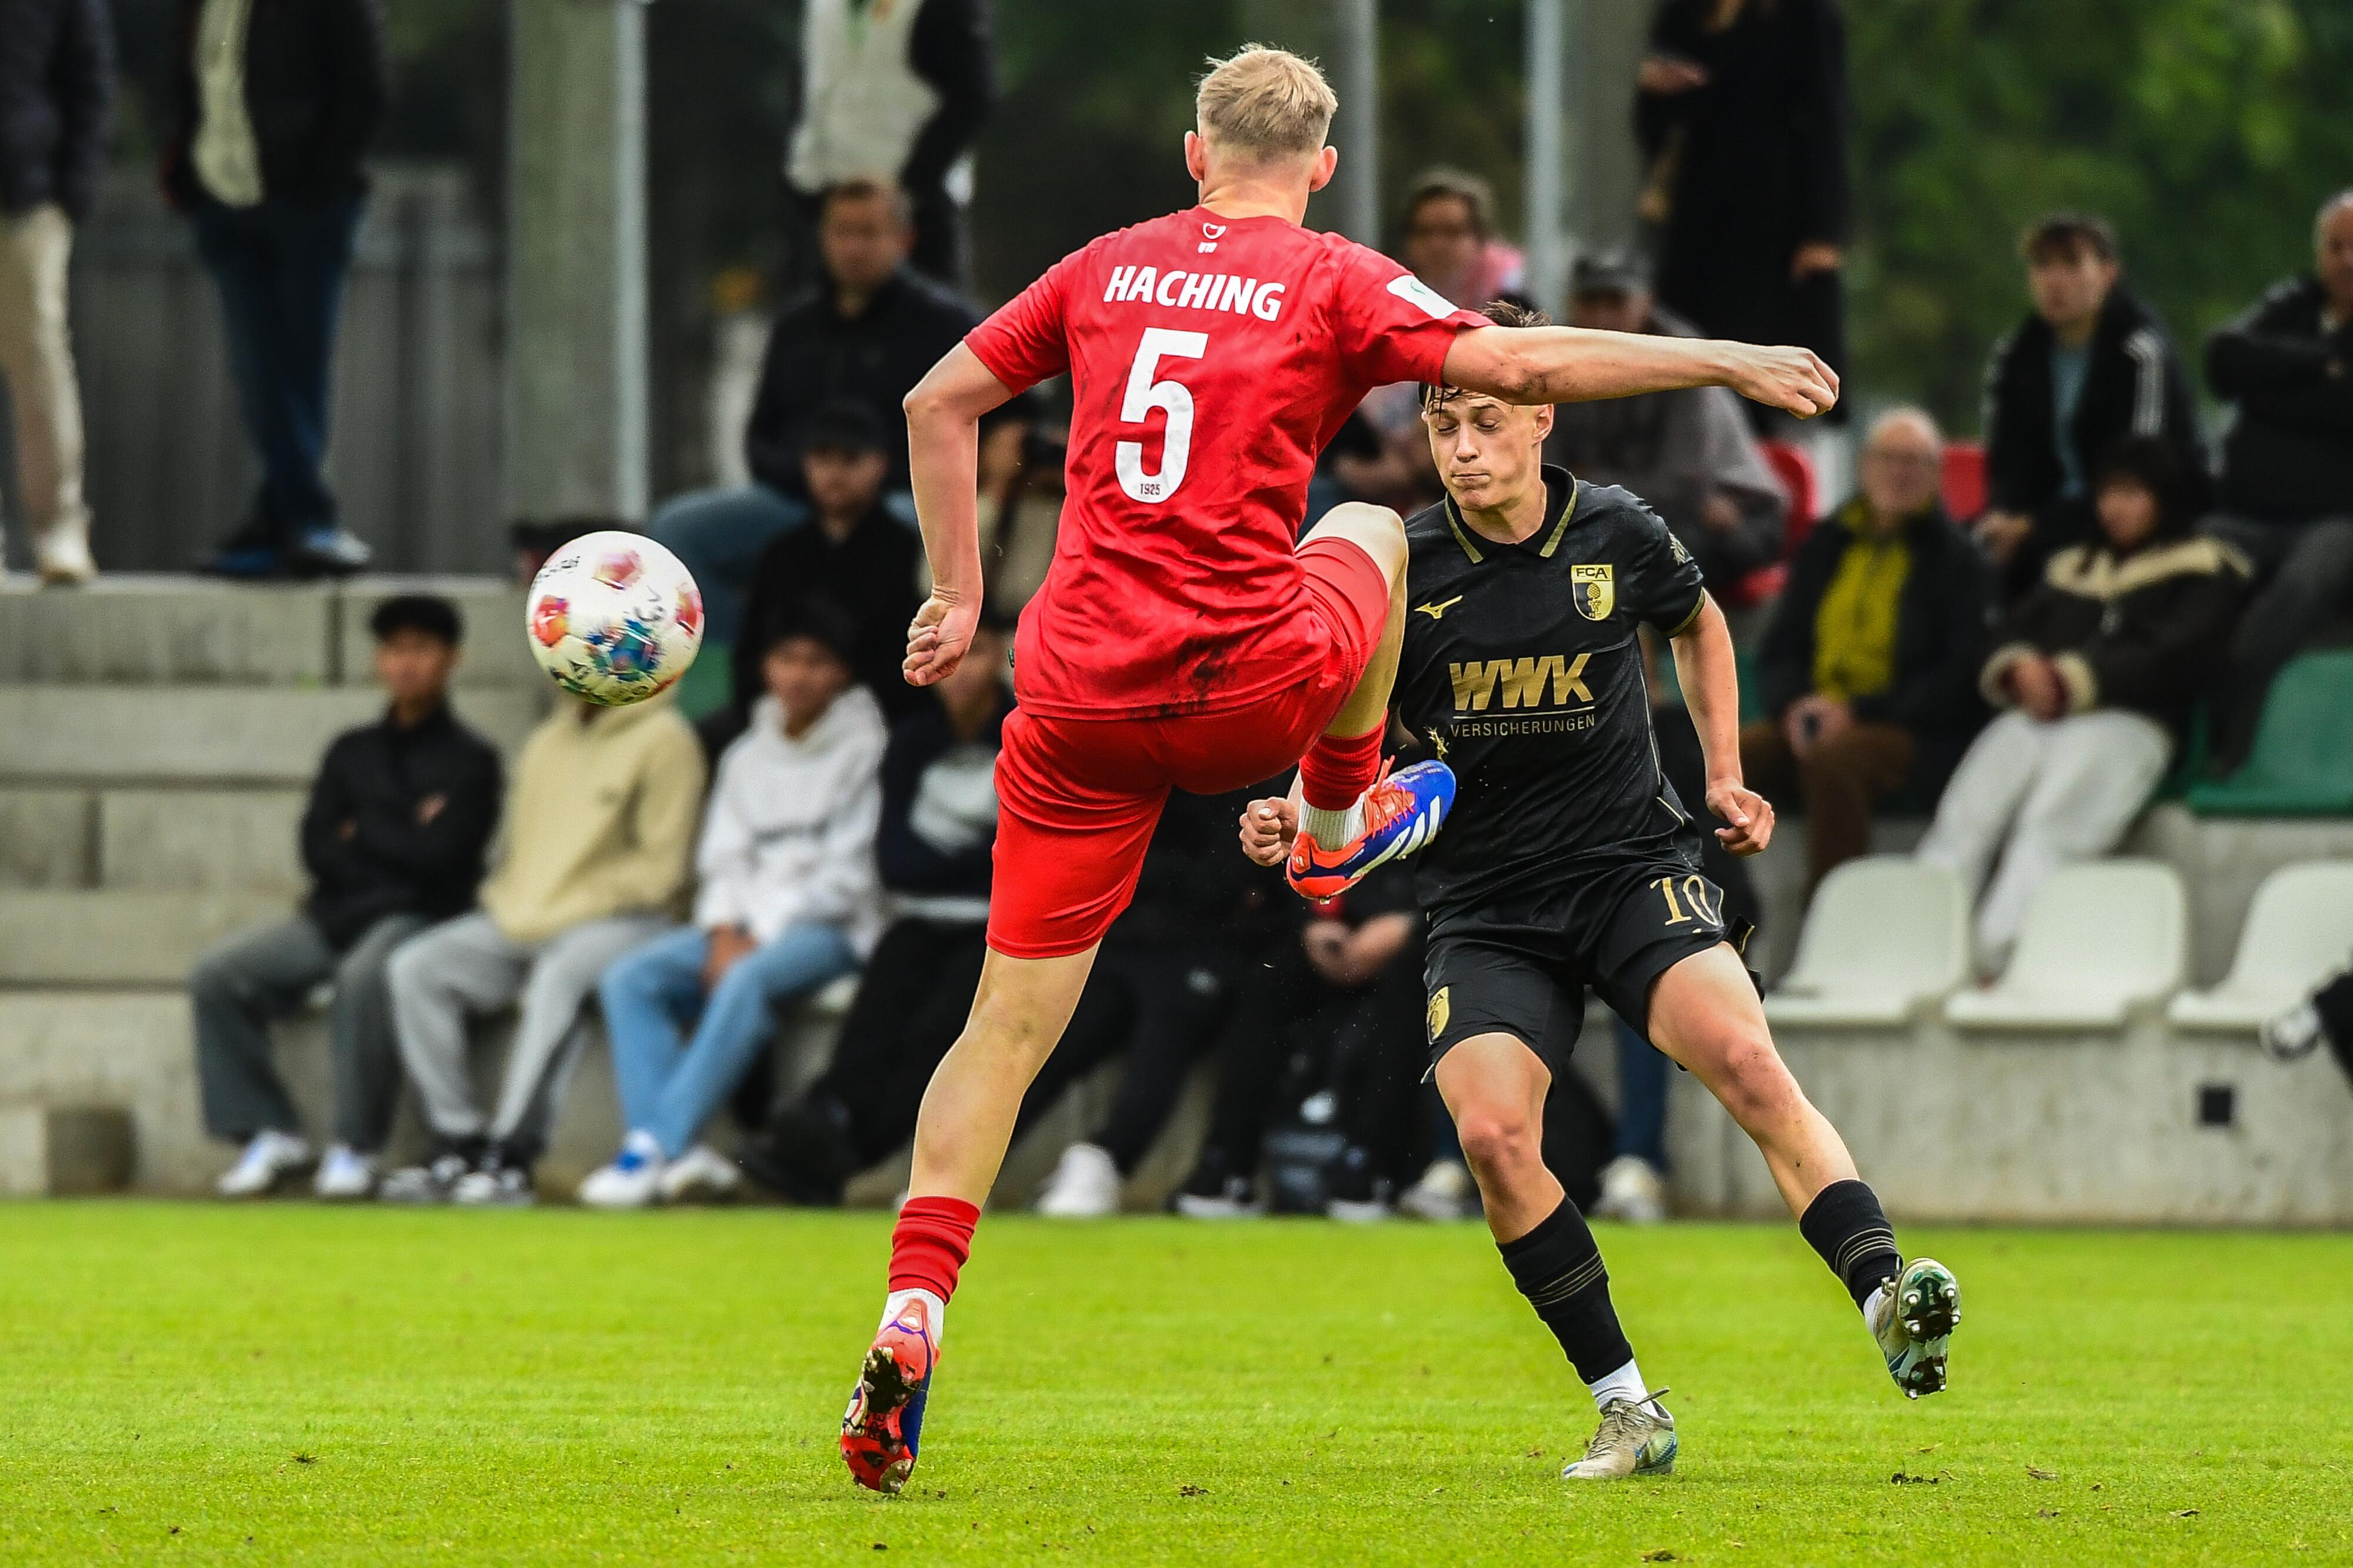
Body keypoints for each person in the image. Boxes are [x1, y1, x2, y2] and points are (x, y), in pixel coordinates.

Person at [838, 44, 1840, 1495]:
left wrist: (956, 592)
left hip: (1073, 697)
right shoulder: (1329, 277)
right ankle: (1331, 818)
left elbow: (938, 402)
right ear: (1318, 167)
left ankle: (912, 1307)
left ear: (1195, 155)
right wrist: (1727, 358)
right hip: (1243, 688)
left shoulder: (1104, 266)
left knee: (1003, 1026)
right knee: (1370, 529)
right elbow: (1519, 364)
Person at [1240, 303, 1955, 1483]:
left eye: (1483, 420)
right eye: (1442, 425)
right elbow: (1346, 734)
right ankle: (1628, 1409)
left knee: (1747, 1061)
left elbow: (1701, 626)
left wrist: (1722, 774)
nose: (1462, 447)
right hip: (1486, 908)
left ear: (1542, 416)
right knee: (1490, 1137)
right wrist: (1296, 813)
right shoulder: (1404, 567)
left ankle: (1885, 1294)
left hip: (1630, 872)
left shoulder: (1616, 530)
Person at [192, 596, 500, 1200]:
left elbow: (443, 860)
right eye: (395, 649)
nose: (406, 663)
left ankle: (356, 1143)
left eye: (421, 649)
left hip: (419, 916)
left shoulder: (471, 759)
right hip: (338, 913)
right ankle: (268, 1128)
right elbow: (317, 845)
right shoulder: (350, 750)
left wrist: (366, 830)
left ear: (451, 659)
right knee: (220, 974)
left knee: (365, 975)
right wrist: (403, 831)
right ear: (378, 659)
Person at [579, 605, 887, 1209]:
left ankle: (652, 1147)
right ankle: (672, 1151)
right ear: (766, 667)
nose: (799, 675)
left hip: (829, 930)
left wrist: (755, 935)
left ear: (842, 673)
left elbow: (848, 878)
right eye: (787, 659)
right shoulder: (747, 752)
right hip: (742, 926)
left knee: (746, 978)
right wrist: (724, 928)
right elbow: (723, 857)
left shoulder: (867, 749)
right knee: (630, 978)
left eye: (816, 662)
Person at [1918, 439, 2246, 973]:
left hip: (2132, 723)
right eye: (2108, 493)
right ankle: (1921, 951)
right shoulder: (2073, 566)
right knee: (1969, 810)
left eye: (2133, 494)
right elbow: (2010, 630)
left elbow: (2176, 655)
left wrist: (2072, 681)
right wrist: (2019, 669)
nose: (2115, 508)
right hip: (2043, 721)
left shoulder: (2205, 569)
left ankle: (1998, 961)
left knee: (2055, 821)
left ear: (2165, 497)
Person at [649, 179, 1014, 653]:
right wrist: (814, 479)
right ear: (823, 237)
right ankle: (749, 664)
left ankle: (909, 665)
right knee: (677, 530)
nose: (854, 247)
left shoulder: (948, 323)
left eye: (869, 233)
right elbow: (761, 436)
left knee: (921, 542)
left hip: (904, 500)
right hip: (798, 499)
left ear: (904, 239)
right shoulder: (795, 325)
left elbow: (1001, 425)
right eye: (842, 232)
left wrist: (873, 482)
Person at [381, 689, 705, 1206]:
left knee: (561, 974)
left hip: (630, 921)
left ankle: (513, 1156)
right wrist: (519, 901)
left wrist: (575, 901)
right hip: (530, 916)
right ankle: (458, 1140)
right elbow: (519, 853)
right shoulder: (546, 741)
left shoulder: (667, 738)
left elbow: (664, 872)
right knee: (417, 967)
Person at [736, 613, 1014, 1206]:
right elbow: (895, 862)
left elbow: (1016, 859)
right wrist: (973, 859)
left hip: (995, 929)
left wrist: (953, 863)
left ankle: (844, 1155)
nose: (962, 670)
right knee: (868, 1029)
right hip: (917, 917)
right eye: (951, 654)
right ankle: (821, 1128)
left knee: (935, 1037)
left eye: (977, 652)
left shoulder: (1024, 737)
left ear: (1001, 658)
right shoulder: (911, 740)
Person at [164, 0, 386, 579]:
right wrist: (185, 173)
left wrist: (319, 181)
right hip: (224, 197)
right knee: (260, 370)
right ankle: (289, 519)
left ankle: (300, 518)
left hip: (306, 203)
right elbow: (198, 83)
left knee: (297, 368)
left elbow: (364, 90)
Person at [1739, 408, 1990, 894]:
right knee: (1724, 762)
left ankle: (1832, 912)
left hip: (1909, 729)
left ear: (1936, 475)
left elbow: (1957, 679)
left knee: (1835, 760)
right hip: (1814, 714)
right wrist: (1795, 706)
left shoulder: (1960, 562)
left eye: (1914, 461)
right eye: (1888, 458)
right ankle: (1709, 911)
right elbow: (1781, 649)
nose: (1899, 472)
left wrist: (1857, 711)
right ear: (1865, 466)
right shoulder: (1825, 545)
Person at [2199, 190, 2353, 774]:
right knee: (2190, 558)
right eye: (2335, 246)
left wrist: (2270, 391)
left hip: (2335, 524)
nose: (2346, 260)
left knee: (2305, 579)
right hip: (2250, 515)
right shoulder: (2291, 304)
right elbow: (2223, 359)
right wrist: (2318, 364)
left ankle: (2231, 733)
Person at [1636, 0, 1851, 419]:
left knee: (1765, 345)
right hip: (1696, 209)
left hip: (1773, 213)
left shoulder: (1803, 14)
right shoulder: (1684, 12)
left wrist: (1822, 231)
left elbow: (1826, 118)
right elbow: (1653, 124)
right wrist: (1656, 89)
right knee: (1687, 342)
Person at [1977, 213, 2205, 599]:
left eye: (2072, 264)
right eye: (2043, 265)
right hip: (2044, 519)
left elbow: (2139, 475)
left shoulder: (2139, 353)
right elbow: (2007, 460)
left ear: (2108, 274)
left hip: (2143, 520)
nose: (2055, 280)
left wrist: (2035, 526)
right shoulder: (2016, 356)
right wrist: (2004, 516)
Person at [1548, 248, 1789, 592]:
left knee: (1637, 557)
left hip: (1737, 512)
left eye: (1615, 301)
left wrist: (1586, 480)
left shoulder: (1684, 358)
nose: (1602, 316)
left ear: (1646, 302)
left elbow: (1683, 484)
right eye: (1590, 301)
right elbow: (1547, 472)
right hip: (1636, 509)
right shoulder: (1558, 357)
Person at [0, 0, 112, 586]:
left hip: (27, 196)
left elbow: (90, 82)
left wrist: (74, 191)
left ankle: (59, 528)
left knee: (39, 355)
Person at [732, 402, 927, 728]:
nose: (835, 474)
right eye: (823, 458)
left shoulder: (907, 552)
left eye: (850, 459)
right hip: (781, 713)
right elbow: (751, 651)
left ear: (881, 464)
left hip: (884, 717)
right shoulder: (782, 553)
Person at [784, 0, 994, 288]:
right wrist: (803, 182)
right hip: (826, 199)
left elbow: (972, 97)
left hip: (918, 211)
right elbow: (809, 90)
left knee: (931, 311)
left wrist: (910, 186)